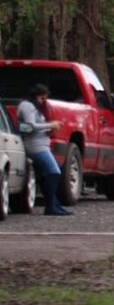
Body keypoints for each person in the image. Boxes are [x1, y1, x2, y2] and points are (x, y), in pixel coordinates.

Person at [16, 84, 71, 216]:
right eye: (42, 98)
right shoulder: (27, 106)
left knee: (48, 174)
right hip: (35, 146)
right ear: (35, 96)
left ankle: (54, 203)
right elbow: (30, 126)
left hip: (40, 144)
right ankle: (51, 205)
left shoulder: (35, 108)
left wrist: (49, 129)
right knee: (54, 172)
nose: (43, 101)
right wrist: (50, 125)